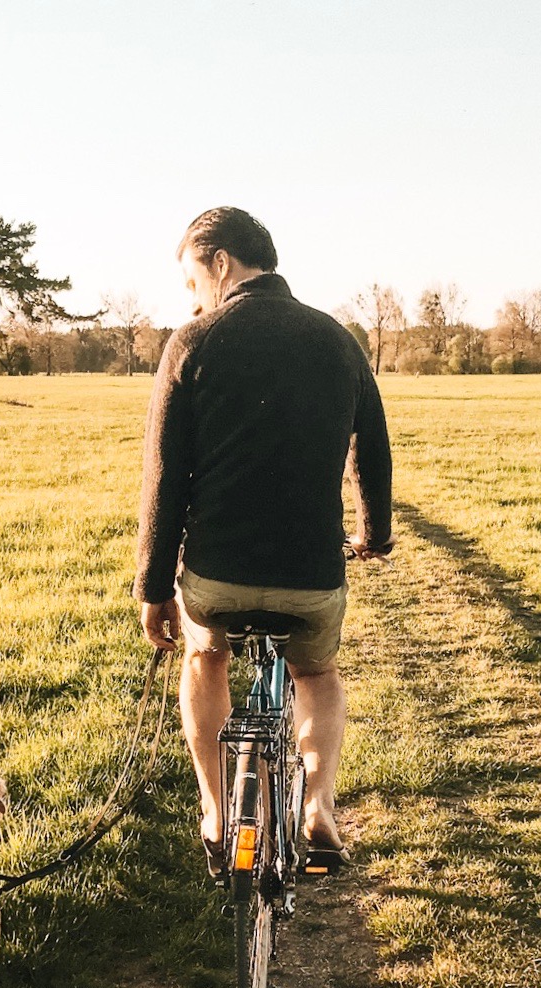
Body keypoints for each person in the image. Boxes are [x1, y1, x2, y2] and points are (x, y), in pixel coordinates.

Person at [133, 206, 393, 879]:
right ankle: (319, 809)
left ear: (219, 262)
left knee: (205, 660)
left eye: (193, 280)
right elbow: (375, 449)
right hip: (310, 573)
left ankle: (218, 812)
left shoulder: (192, 342)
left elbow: (164, 480)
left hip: (218, 576)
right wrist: (374, 534)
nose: (192, 297)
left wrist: (154, 588)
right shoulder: (337, 340)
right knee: (317, 674)